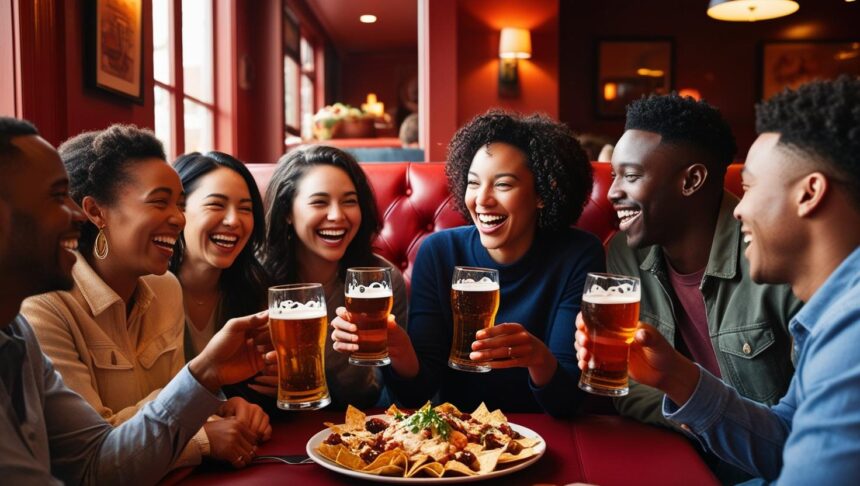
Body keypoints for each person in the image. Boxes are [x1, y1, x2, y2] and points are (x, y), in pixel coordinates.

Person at [577, 77, 860, 482]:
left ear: (809, 193)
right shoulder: (832, 309)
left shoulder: (850, 324)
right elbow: (783, 443)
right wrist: (675, 375)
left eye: (748, 188)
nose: (739, 209)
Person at [0, 116, 273, 484]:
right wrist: (202, 430)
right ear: (98, 211)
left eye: (180, 204)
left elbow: (97, 460)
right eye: (55, 197)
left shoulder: (17, 331)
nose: (75, 214)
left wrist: (210, 386)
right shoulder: (39, 307)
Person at [332, 110, 604, 417]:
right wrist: (398, 348)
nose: (482, 200)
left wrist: (538, 358)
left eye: (503, 185)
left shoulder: (579, 254)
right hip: (457, 437)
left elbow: (568, 404)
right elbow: (415, 394)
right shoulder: (439, 252)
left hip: (542, 434)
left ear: (542, 192)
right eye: (473, 184)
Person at [605, 94, 800, 456]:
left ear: (692, 180)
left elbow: (805, 430)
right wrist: (690, 418)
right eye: (614, 175)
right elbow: (627, 384)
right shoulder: (625, 253)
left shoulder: (778, 258)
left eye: (630, 176)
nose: (613, 191)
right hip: (684, 454)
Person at [260, 145, 408, 409]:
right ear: (286, 213)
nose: (337, 216)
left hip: (357, 428)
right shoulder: (256, 277)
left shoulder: (381, 283)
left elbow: (390, 393)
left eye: (350, 201)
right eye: (319, 202)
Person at [170, 152, 268, 361]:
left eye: (245, 209)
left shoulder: (257, 291)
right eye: (216, 204)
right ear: (179, 209)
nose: (233, 221)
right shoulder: (147, 293)